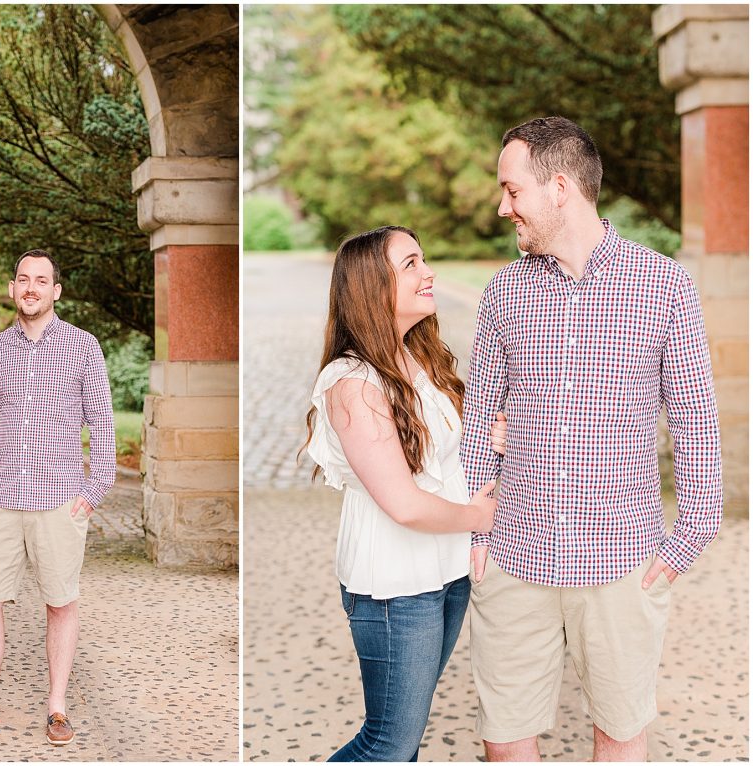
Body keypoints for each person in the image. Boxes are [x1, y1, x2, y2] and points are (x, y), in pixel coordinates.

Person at [461, 116, 722, 762]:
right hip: (516, 560)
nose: (502, 207)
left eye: (511, 191)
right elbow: (477, 418)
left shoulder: (665, 287)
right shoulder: (503, 294)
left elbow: (695, 419)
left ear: (558, 188)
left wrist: (691, 532)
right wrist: (476, 531)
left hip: (622, 564)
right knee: (504, 739)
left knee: (619, 736)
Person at [301, 225, 497, 762]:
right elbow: (404, 503)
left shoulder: (419, 358)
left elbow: (449, 451)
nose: (428, 271)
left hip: (445, 571)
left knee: (402, 743)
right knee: (388, 744)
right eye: (410, 264)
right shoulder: (354, 383)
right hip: (393, 586)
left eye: (423, 259)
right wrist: (481, 515)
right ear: (371, 286)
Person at [0, 249, 116, 745]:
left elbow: (103, 423)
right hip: (2, 498)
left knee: (60, 603)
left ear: (55, 291)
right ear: (13, 289)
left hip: (60, 500)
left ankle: (56, 707)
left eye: (42, 280)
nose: (31, 288)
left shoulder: (82, 346)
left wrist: (94, 490)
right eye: (23, 279)